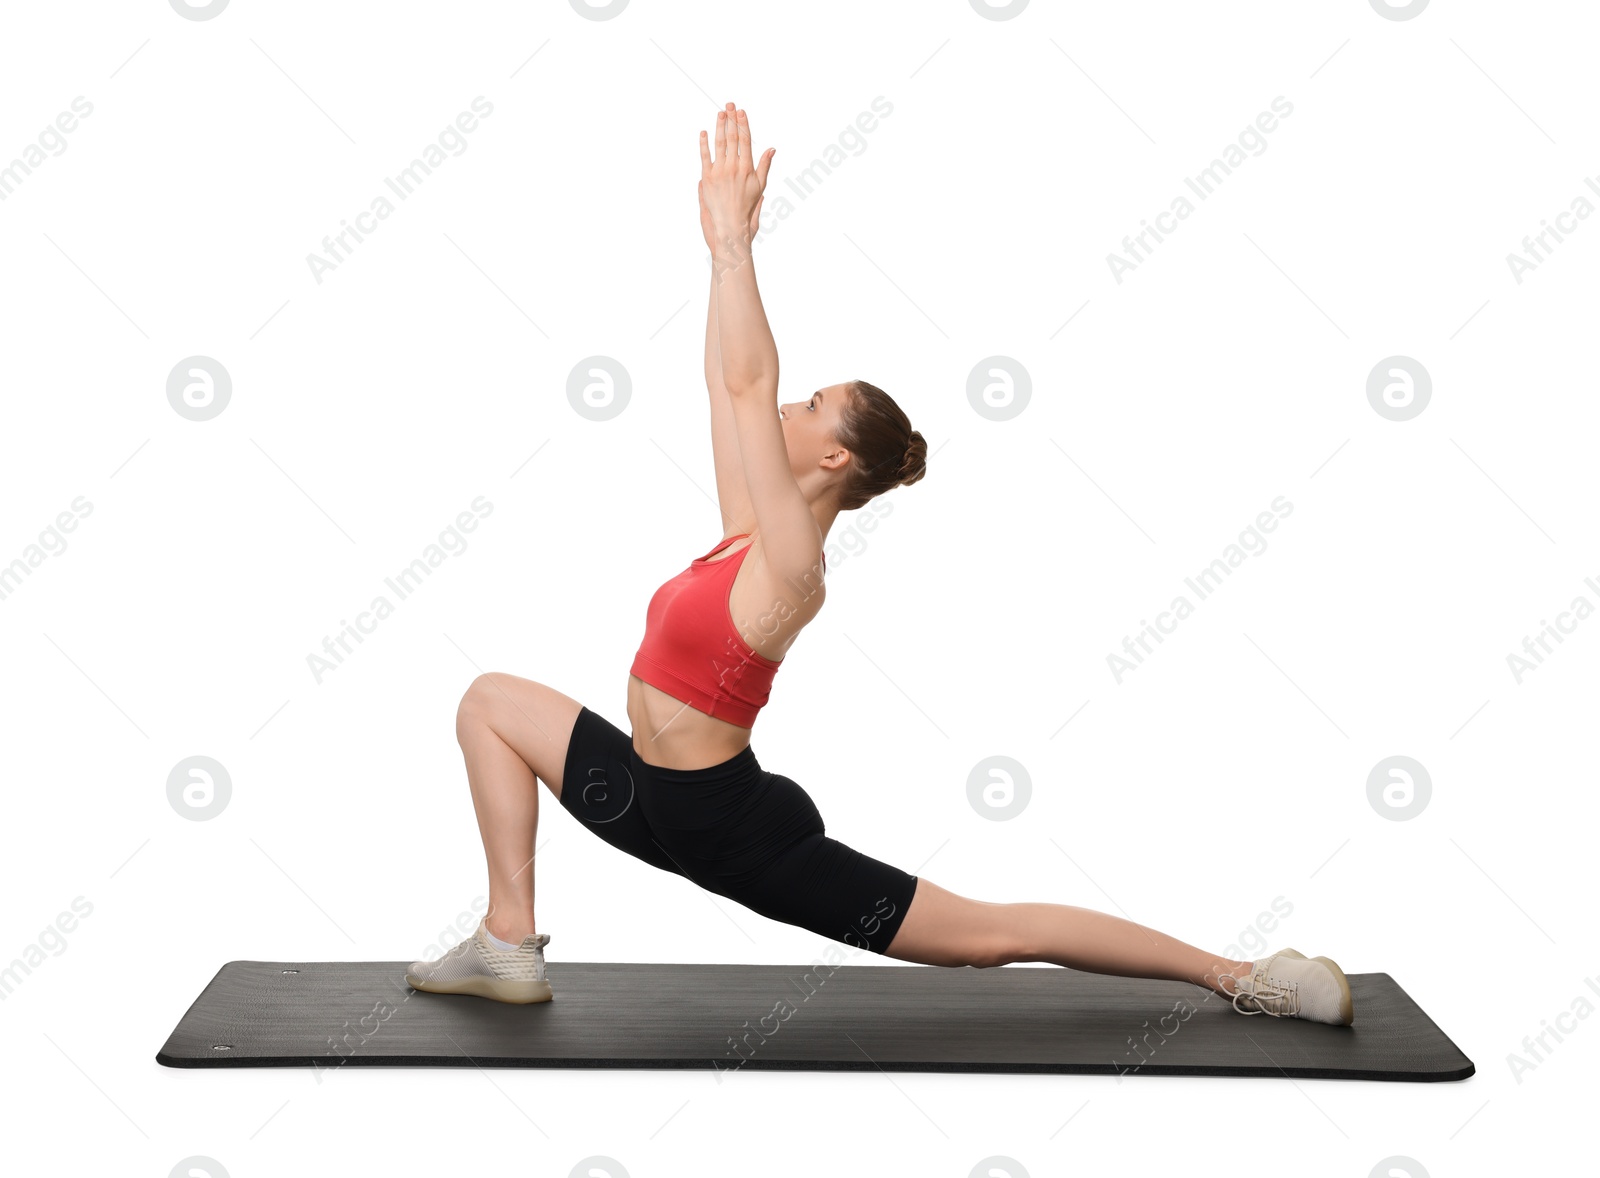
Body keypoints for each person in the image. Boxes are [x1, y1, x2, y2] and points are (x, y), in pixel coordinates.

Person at [407, 103, 1353, 1027]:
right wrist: (715, 257)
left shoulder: (791, 570)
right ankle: (508, 941)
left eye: (811, 401)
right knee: (490, 703)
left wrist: (738, 248)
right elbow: (722, 383)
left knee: (988, 936)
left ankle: (1244, 975)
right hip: (648, 802)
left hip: (736, 837)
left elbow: (746, 384)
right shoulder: (748, 532)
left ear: (832, 460)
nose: (787, 404)